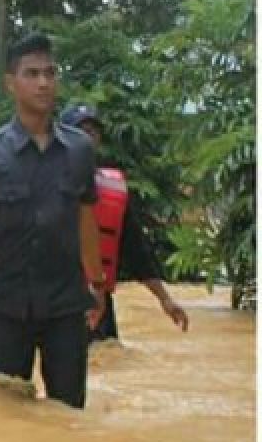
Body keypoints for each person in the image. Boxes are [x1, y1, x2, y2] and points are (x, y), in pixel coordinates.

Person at [0, 33, 105, 409]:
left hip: (66, 309)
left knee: (68, 416)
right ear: (10, 83)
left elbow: (86, 221)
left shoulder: (79, 150)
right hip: (6, 311)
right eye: (31, 74)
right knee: (6, 418)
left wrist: (97, 285)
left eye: (50, 73)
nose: (44, 83)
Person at [60, 103, 189, 340]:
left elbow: (137, 251)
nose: (89, 136)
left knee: (106, 363)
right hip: (53, 303)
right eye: (81, 130)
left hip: (97, 301)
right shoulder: (45, 185)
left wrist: (165, 299)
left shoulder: (112, 190)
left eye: (93, 131)